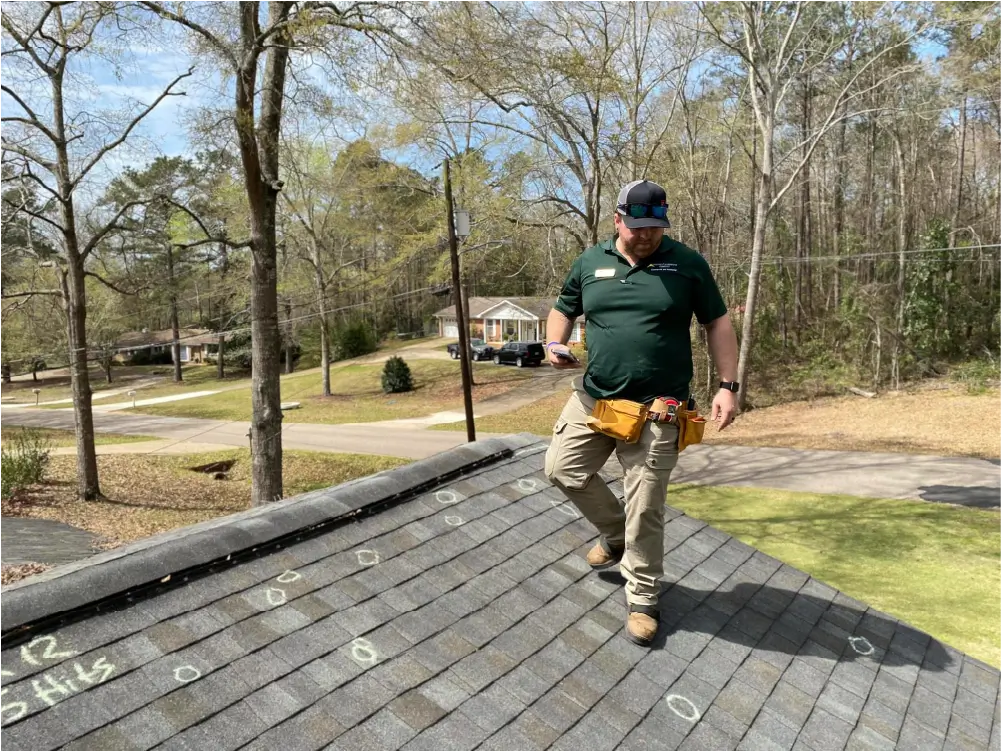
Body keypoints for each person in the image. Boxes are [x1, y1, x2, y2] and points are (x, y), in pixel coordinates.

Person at [544, 179, 740, 646]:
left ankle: (643, 598)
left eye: (655, 227)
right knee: (560, 471)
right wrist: (555, 342)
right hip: (594, 400)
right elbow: (562, 308)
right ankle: (614, 536)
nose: (647, 235)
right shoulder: (590, 262)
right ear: (617, 220)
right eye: (637, 227)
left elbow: (718, 322)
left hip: (658, 412)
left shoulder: (687, 264)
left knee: (645, 508)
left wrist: (728, 385)